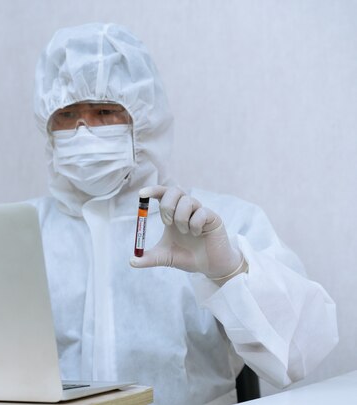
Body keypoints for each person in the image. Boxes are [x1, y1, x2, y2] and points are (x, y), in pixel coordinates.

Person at [29, 23, 338, 405]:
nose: (84, 129)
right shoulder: (22, 235)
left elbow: (301, 353)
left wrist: (231, 272)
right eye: (67, 113)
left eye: (106, 110)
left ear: (145, 120)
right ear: (47, 124)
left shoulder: (216, 222)